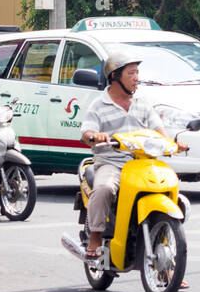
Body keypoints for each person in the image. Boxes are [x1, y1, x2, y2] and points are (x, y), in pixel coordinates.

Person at [79, 48, 188, 262]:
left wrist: (173, 144)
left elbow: (159, 131)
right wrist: (95, 136)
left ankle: (171, 265)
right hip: (112, 162)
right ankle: (95, 237)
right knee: (103, 189)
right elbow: (86, 133)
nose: (136, 78)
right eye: (131, 73)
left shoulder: (142, 103)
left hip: (143, 163)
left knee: (170, 187)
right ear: (114, 76)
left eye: (137, 72)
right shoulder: (99, 105)